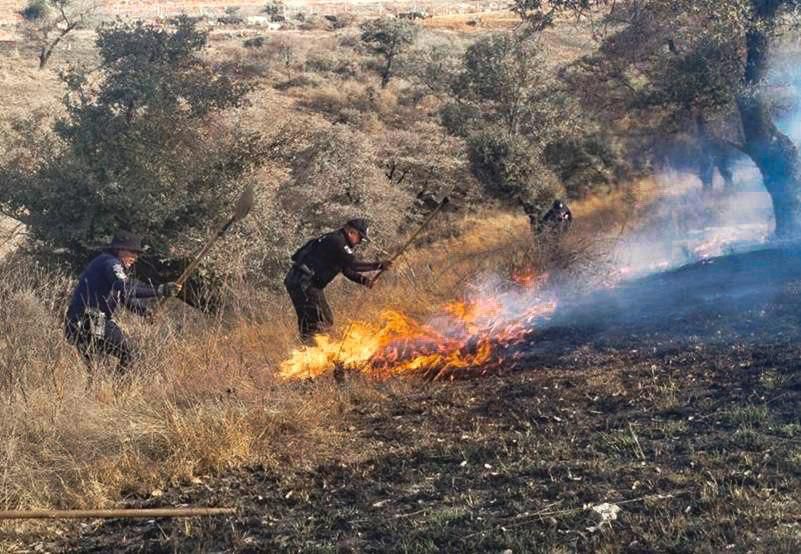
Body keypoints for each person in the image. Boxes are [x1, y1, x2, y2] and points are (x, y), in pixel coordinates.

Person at [64, 231, 181, 373]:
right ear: (119, 250)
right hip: (91, 319)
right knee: (131, 355)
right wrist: (160, 290)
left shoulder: (106, 263)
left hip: (78, 320)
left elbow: (123, 296)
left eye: (137, 253)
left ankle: (110, 387)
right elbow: (126, 288)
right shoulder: (111, 263)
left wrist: (144, 312)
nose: (135, 257)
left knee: (98, 370)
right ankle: (119, 387)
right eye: (132, 252)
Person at [284, 219, 390, 345]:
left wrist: (364, 281)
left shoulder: (336, 241)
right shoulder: (338, 241)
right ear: (351, 232)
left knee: (317, 320)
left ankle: (308, 349)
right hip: (304, 283)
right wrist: (378, 265)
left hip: (304, 283)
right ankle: (314, 350)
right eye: (360, 238)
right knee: (320, 321)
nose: (359, 242)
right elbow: (354, 265)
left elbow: (347, 270)